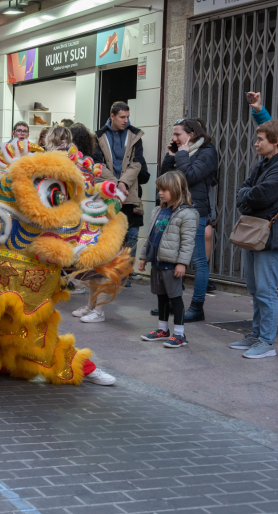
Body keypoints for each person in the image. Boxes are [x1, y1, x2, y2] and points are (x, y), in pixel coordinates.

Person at [229, 118, 278, 359]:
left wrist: (247, 195)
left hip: (270, 238)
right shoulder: (263, 164)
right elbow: (244, 191)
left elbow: (259, 196)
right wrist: (248, 195)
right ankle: (256, 334)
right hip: (254, 233)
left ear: (276, 141)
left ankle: (266, 342)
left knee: (266, 291)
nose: (255, 143)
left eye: (260, 139)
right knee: (254, 288)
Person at [160, 118, 218, 322]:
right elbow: (165, 179)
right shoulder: (181, 152)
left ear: (191, 134)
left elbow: (189, 176)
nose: (174, 138)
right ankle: (172, 304)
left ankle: (197, 307)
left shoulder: (207, 152)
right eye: (173, 134)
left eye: (178, 135)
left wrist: (182, 154)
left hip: (196, 212)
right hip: (176, 211)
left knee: (198, 260)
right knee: (173, 260)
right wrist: (170, 156)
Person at [138, 171, 199, 349]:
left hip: (172, 264)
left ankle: (179, 334)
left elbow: (188, 242)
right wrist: (143, 257)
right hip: (157, 262)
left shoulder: (187, 214)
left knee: (175, 298)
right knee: (161, 297)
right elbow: (150, 237)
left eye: (164, 189)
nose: (160, 193)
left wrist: (181, 263)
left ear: (176, 190)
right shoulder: (158, 210)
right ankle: (163, 330)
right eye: (159, 189)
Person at [93, 101, 148, 291]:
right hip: (109, 192)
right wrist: (117, 184)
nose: (126, 120)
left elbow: (138, 163)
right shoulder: (99, 136)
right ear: (112, 116)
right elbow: (98, 165)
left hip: (130, 193)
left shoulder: (135, 135)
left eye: (128, 116)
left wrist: (124, 182)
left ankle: (125, 272)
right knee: (110, 234)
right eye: (122, 117)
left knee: (131, 235)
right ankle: (110, 271)